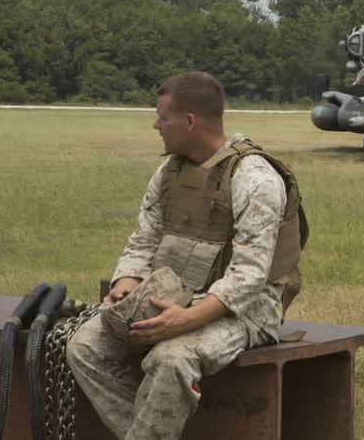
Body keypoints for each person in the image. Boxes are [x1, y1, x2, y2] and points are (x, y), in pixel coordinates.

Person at [67, 71, 305, 440]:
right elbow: (143, 241)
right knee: (84, 346)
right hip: (175, 297)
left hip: (249, 310)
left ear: (190, 121)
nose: (155, 125)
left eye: (163, 117)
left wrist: (187, 320)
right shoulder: (169, 172)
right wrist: (126, 285)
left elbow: (249, 276)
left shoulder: (255, 178)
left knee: (170, 359)